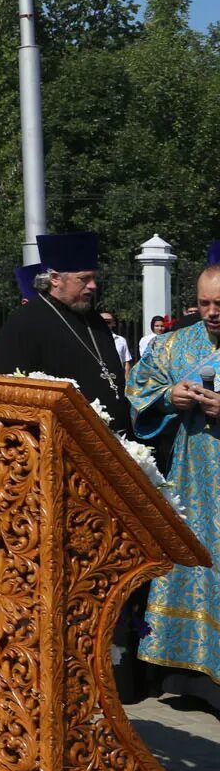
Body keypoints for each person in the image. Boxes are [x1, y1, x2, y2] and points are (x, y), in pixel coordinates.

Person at [130, 260, 220, 706]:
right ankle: (190, 676)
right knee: (195, 561)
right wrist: (169, 397)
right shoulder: (175, 345)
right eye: (204, 302)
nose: (211, 312)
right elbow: (139, 388)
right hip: (193, 479)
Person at [0, 233, 131, 433]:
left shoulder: (94, 320)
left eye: (94, 278)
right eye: (84, 279)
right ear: (55, 279)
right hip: (57, 438)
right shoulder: (26, 320)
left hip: (110, 439)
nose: (93, 285)